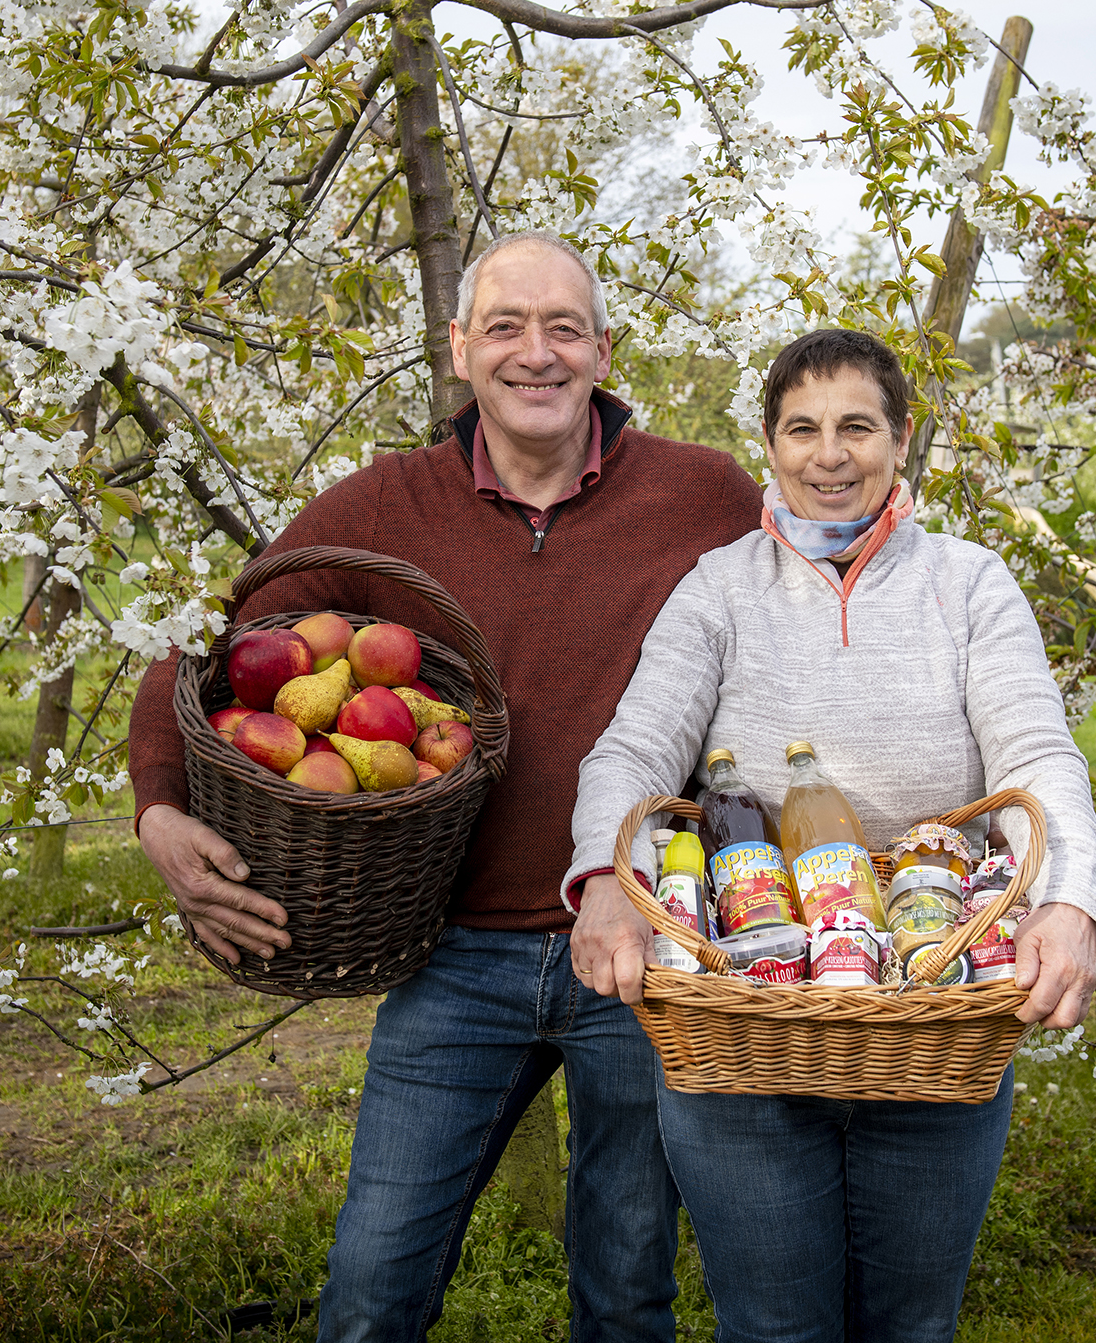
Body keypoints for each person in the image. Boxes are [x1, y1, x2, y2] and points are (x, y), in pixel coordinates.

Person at [128, 230, 764, 1343]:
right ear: (461, 349)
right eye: (506, 327)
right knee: (373, 1284)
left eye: (564, 328)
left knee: (628, 1290)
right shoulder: (386, 507)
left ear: (604, 350)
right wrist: (158, 812)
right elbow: (211, 641)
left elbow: (819, 585)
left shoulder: (703, 494)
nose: (537, 353)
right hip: (456, 956)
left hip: (642, 942)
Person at [565, 327, 1096, 1343]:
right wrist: (606, 874)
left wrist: (1073, 901)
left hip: (934, 1007)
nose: (830, 455)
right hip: (749, 1022)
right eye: (802, 429)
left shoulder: (968, 581)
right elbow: (634, 752)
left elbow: (1038, 754)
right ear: (770, 445)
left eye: (857, 427)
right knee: (773, 1329)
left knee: (912, 1326)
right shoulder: (719, 586)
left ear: (902, 438)